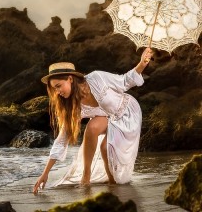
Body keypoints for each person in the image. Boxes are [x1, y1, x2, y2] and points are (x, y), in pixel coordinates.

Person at [33, 47, 153, 194]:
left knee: (105, 147)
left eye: (59, 86)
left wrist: (142, 63)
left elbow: (124, 81)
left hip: (128, 112)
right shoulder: (71, 106)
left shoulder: (96, 78)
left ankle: (112, 182)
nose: (58, 92)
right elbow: (62, 139)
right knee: (91, 128)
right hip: (110, 117)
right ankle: (86, 175)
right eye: (54, 89)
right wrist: (45, 173)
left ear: (70, 79)